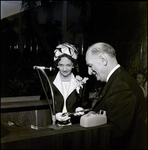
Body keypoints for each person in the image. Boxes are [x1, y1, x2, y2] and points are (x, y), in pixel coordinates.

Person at [85, 42, 147, 149]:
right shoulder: (117, 80)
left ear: (103, 60)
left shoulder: (121, 85)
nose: (89, 72)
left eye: (90, 66)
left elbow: (116, 132)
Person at [41, 43, 91, 126]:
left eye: (68, 65)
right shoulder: (48, 82)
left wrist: (81, 109)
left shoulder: (81, 82)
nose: (64, 69)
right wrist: (54, 115)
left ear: (73, 65)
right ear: (57, 65)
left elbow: (86, 105)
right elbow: (42, 106)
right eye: (61, 65)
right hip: (53, 126)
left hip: (74, 127)